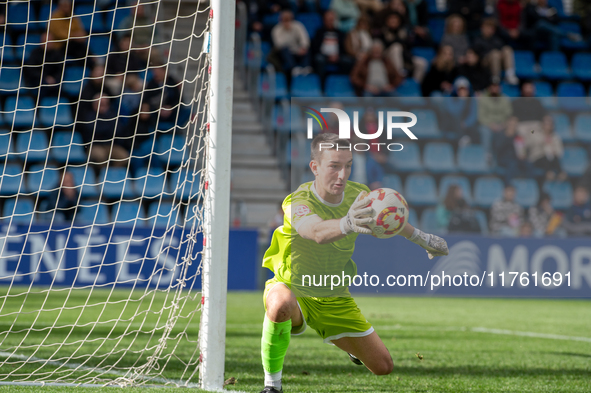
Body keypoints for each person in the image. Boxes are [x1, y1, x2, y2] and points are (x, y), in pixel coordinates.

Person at [258, 132, 448, 393]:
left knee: (383, 367)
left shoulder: (359, 195)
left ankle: (347, 345)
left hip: (333, 293)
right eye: (334, 166)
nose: (342, 174)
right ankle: (272, 385)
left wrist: (421, 238)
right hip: (292, 285)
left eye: (347, 165)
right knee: (280, 304)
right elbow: (315, 232)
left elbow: (387, 218)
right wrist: (347, 224)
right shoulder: (297, 202)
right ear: (315, 167)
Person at [378, 13, 427, 82]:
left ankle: (414, 85)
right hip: (388, 58)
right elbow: (384, 46)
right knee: (396, 47)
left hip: (403, 57)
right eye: (391, 20)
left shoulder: (403, 32)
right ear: (387, 21)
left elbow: (408, 46)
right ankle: (399, 75)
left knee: (422, 63)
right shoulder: (382, 32)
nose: (393, 22)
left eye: (395, 21)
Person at [472, 18, 518, 85]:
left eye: (490, 28)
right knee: (495, 53)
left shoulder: (497, 40)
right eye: (486, 28)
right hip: (484, 63)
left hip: (498, 60)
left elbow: (502, 50)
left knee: (507, 49)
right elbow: (477, 54)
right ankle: (495, 77)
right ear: (482, 28)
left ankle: (510, 74)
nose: (488, 30)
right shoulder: (477, 40)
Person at [312, 10, 354, 83]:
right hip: (323, 56)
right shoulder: (319, 32)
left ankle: (342, 83)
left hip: (337, 56)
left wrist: (337, 56)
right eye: (328, 20)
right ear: (324, 20)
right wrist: (327, 56)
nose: (330, 22)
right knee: (319, 59)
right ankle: (321, 84)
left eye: (331, 20)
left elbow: (344, 48)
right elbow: (315, 48)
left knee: (348, 61)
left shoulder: (340, 33)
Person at [23, 32, 66, 97]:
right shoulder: (35, 53)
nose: (47, 43)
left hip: (54, 82)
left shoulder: (57, 54)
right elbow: (31, 70)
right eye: (45, 40)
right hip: (38, 81)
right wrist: (45, 78)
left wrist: (54, 79)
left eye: (49, 41)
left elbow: (60, 70)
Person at [270, 10, 312, 76]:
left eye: (288, 19)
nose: (287, 22)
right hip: (284, 54)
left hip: (298, 52)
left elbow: (305, 39)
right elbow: (278, 44)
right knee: (284, 49)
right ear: (281, 20)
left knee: (306, 49)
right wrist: (287, 30)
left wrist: (303, 47)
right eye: (285, 19)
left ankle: (305, 68)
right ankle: (294, 68)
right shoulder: (277, 29)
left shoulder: (298, 26)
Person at [525, 115, 566, 181]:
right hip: (537, 158)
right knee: (545, 158)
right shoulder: (535, 133)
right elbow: (530, 141)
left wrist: (554, 150)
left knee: (555, 159)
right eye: (546, 123)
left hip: (551, 158)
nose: (547, 126)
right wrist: (543, 142)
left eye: (549, 124)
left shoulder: (555, 137)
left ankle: (560, 173)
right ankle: (549, 173)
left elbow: (560, 151)